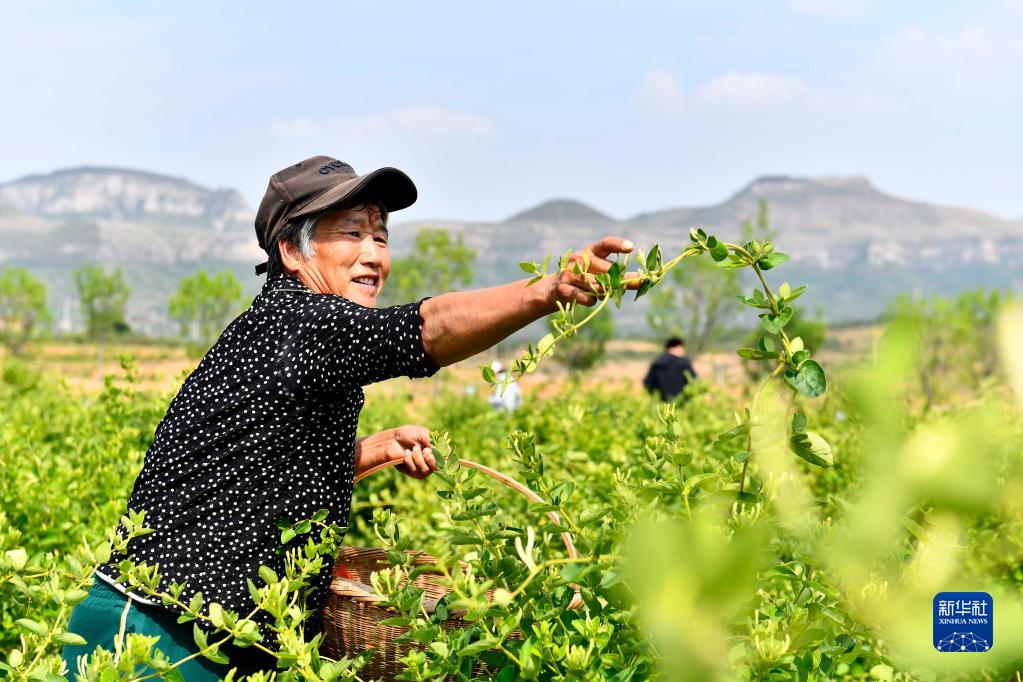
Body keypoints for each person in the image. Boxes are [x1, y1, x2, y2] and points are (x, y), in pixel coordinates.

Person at [61, 155, 636, 679]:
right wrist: (548, 290)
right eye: (352, 233)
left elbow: (253, 471)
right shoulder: (302, 322)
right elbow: (426, 328)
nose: (373, 254)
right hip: (152, 635)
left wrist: (370, 450)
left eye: (380, 235)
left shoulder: (284, 329)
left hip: (225, 640)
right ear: (292, 252)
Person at [643, 337, 698, 402]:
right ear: (678, 347)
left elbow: (647, 383)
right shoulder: (684, 363)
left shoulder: (657, 363)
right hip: (680, 403)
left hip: (661, 403)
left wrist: (655, 398)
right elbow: (694, 381)